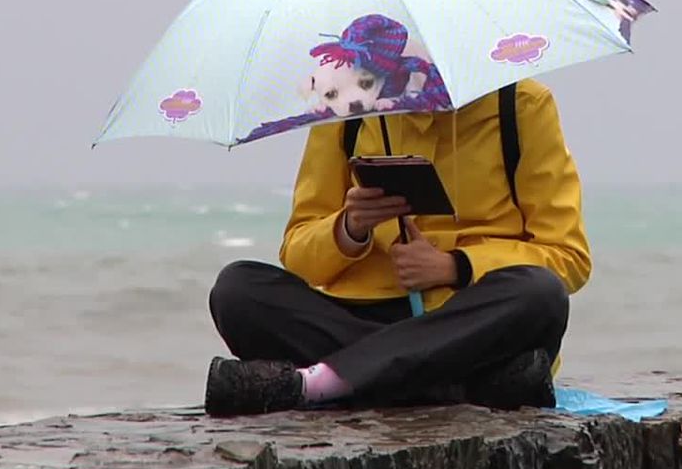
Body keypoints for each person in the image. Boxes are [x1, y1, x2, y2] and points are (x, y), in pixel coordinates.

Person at [204, 78, 591, 415]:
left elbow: (567, 257)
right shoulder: (347, 110)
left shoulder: (521, 105)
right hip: (366, 319)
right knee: (238, 290)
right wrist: (349, 227)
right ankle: (449, 388)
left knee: (540, 294)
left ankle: (325, 383)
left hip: (469, 320)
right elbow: (300, 255)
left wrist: (455, 266)